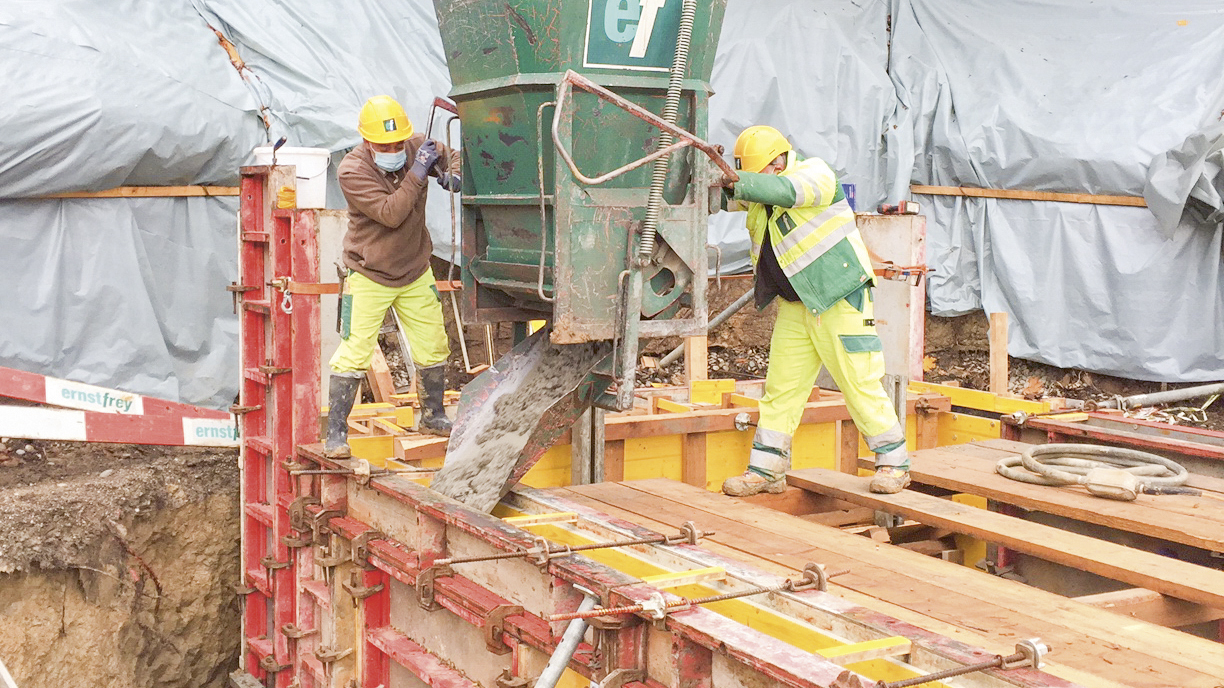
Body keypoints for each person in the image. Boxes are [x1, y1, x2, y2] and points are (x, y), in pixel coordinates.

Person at [719, 125, 910, 495]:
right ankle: (766, 470)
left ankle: (893, 463)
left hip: (840, 298)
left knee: (859, 382)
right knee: (782, 389)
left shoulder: (815, 174)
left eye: (758, 173)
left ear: (778, 161)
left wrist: (735, 180)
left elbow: (783, 191)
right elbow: (728, 196)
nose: (756, 181)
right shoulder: (762, 188)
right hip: (797, 304)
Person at [323, 95, 463, 458]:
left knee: (433, 344)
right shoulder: (352, 170)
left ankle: (432, 414)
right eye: (385, 145)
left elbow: (455, 155)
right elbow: (391, 213)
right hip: (369, 272)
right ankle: (336, 433)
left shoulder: (417, 145)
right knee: (354, 353)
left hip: (415, 268)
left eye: (398, 142)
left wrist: (452, 173)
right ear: (367, 142)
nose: (394, 149)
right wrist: (419, 172)